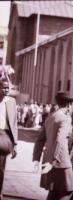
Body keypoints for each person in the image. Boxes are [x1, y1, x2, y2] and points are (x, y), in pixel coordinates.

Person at [32, 92, 73, 200]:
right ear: (68, 105)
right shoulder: (66, 118)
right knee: (67, 191)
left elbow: (40, 140)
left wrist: (36, 159)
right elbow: (60, 140)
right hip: (60, 161)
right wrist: (53, 161)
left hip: (48, 160)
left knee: (54, 192)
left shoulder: (51, 117)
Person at [0, 70, 18, 200]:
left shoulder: (11, 102)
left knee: (1, 169)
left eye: (8, 88)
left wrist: (15, 144)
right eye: (4, 88)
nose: (6, 90)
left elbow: (14, 123)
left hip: (5, 137)